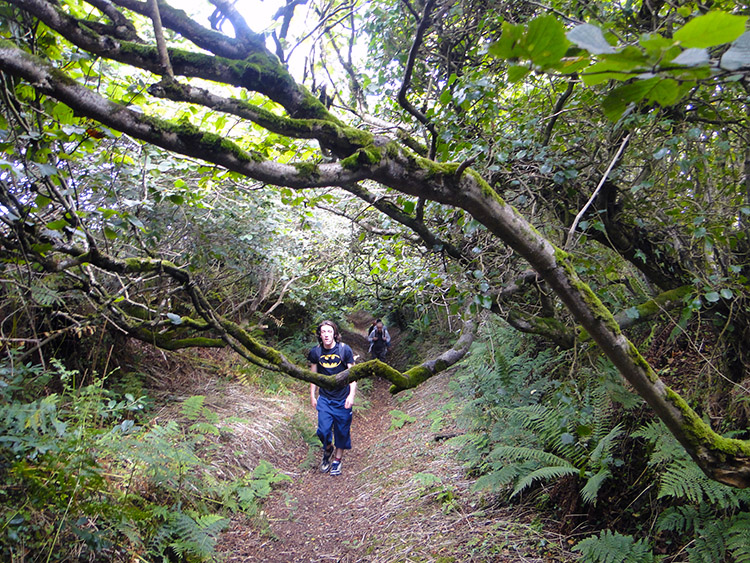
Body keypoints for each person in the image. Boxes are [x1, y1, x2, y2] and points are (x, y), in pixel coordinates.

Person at [308, 320, 356, 476]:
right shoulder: (316, 352)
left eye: (329, 331)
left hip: (342, 398)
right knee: (323, 431)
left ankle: (337, 461)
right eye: (323, 332)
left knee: (342, 431)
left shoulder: (344, 350)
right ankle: (327, 449)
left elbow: (353, 375)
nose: (326, 335)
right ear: (320, 335)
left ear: (335, 333)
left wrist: (351, 395)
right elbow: (313, 376)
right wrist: (312, 395)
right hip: (325, 398)